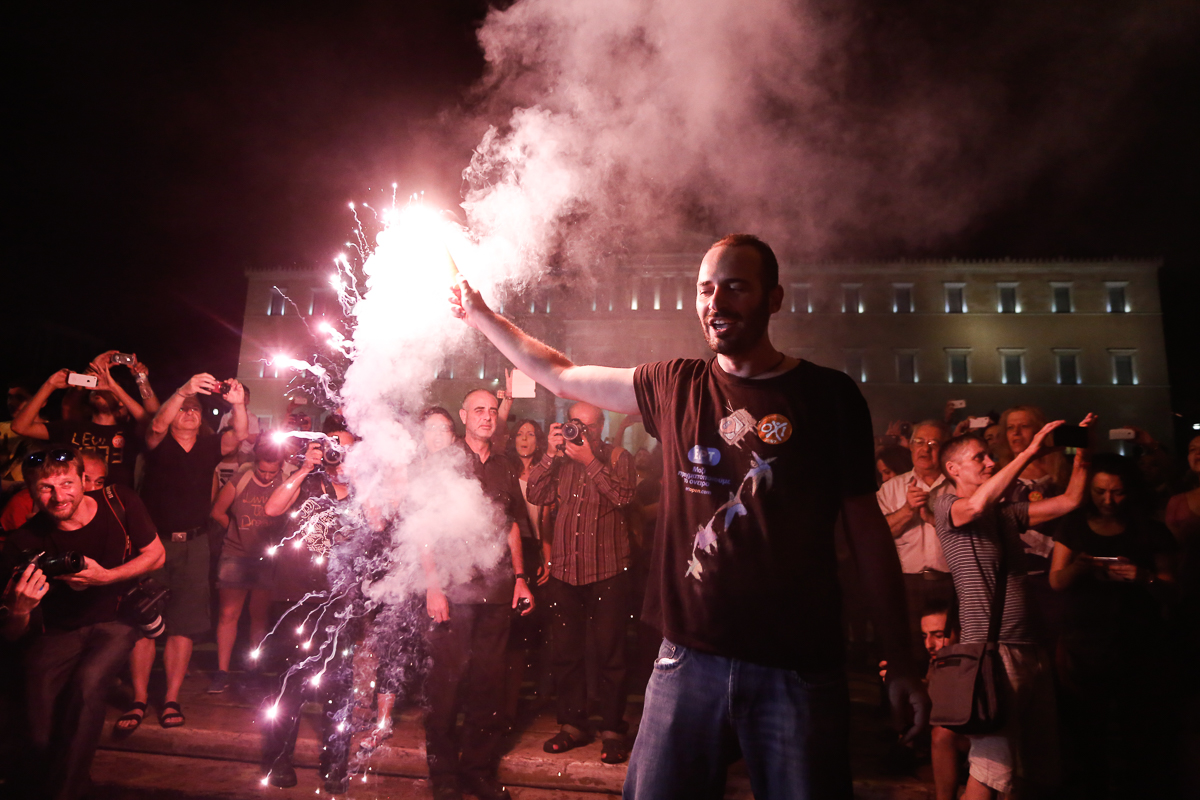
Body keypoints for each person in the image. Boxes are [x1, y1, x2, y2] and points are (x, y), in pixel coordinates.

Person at [451, 233, 928, 799]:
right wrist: (481, 315)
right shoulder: (675, 384)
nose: (716, 302)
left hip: (796, 668)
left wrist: (901, 659)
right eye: (706, 289)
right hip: (687, 661)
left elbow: (868, 533)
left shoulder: (829, 396)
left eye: (735, 287)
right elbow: (560, 373)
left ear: (774, 298)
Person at [932, 416, 1092, 799]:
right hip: (992, 652)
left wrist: (1084, 450)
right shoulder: (947, 506)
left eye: (990, 456)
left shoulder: (1004, 514)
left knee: (1030, 768)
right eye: (980, 457)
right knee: (991, 769)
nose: (990, 462)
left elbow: (1070, 500)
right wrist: (1030, 451)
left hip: (1029, 649)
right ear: (953, 468)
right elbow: (974, 507)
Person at [1, 447, 165, 800]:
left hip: (116, 619)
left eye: (66, 483)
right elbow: (10, 635)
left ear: (83, 481)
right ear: (31, 490)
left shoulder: (119, 501)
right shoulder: (23, 542)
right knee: (39, 732)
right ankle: (73, 785)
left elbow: (156, 555)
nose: (59, 496)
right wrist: (19, 611)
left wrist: (105, 577)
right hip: (57, 633)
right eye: (46, 487)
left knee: (87, 684)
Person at [421, 390, 536, 800]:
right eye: (479, 410)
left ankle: (478, 771)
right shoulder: (443, 463)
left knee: (488, 686)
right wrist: (433, 586)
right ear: (464, 415)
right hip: (452, 592)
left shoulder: (504, 466)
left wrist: (520, 577)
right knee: (446, 685)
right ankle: (444, 775)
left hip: (496, 592)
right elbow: (424, 529)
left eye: (492, 410)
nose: (487, 417)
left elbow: (511, 525)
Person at [120, 374, 247, 733]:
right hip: (154, 544)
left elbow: (240, 434)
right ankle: (139, 699)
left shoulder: (208, 447)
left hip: (194, 544)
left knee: (184, 625)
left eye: (195, 409)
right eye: (183, 409)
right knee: (144, 622)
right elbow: (156, 425)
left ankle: (171, 698)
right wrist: (183, 391)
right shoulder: (157, 444)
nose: (190, 412)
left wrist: (238, 404)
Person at [1049, 453, 1178, 799]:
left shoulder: (1150, 530)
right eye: (1099, 491)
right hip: (1084, 644)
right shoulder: (1074, 525)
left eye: (1117, 492)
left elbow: (1173, 590)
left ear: (1130, 491)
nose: (1108, 500)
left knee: (1139, 731)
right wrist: (1078, 568)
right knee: (1085, 731)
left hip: (1138, 642)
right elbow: (1056, 580)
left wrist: (1144, 577)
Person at [526, 402, 637, 763]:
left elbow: (624, 496)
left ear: (601, 427)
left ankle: (612, 729)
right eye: (574, 424)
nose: (580, 432)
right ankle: (572, 725)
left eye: (587, 426)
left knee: (610, 655)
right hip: (565, 571)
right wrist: (549, 454)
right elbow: (535, 495)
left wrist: (589, 460)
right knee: (566, 653)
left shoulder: (618, 457)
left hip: (608, 570)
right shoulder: (559, 460)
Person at [206, 439, 285, 693]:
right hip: (235, 554)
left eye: (272, 472)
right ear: (255, 463)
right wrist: (236, 530)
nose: (266, 476)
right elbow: (217, 511)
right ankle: (222, 670)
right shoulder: (241, 479)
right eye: (262, 470)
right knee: (228, 614)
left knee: (259, 616)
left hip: (266, 558)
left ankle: (254, 669)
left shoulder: (285, 483)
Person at [876, 421, 955, 667]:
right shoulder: (891, 488)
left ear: (945, 449)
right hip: (908, 583)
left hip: (952, 581)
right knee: (911, 652)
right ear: (910, 446)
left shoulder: (959, 485)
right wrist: (907, 510)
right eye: (919, 442)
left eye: (933, 443)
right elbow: (878, 535)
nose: (925, 449)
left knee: (953, 651)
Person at [13, 357, 152, 487]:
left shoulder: (129, 431)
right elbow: (20, 427)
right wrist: (50, 384)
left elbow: (150, 423)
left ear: (121, 401)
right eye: (97, 387)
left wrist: (114, 387)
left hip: (114, 500)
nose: (100, 389)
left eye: (107, 388)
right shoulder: (72, 427)